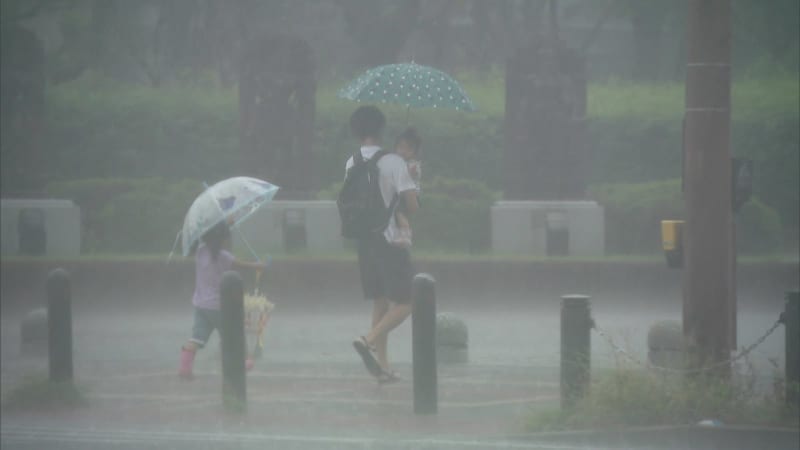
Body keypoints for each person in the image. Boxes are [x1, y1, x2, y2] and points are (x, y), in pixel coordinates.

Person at [345, 105, 418, 384]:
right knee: (408, 301)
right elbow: (412, 205)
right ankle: (368, 339)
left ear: (356, 132)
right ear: (381, 129)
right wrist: (411, 181)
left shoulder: (351, 162)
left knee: (381, 300)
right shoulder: (393, 162)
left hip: (364, 241)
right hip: (390, 241)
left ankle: (383, 366)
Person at [179, 221, 266, 380]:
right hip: (219, 305)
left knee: (197, 338)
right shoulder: (223, 256)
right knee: (235, 333)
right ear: (222, 239)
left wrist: (225, 224)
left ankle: (185, 369)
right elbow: (241, 265)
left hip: (200, 304)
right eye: (227, 236)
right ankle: (244, 361)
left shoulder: (200, 252)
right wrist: (257, 265)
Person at [388, 127, 422, 248]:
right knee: (394, 213)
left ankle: (406, 235)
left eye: (408, 149)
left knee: (399, 212)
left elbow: (411, 174)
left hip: (411, 195)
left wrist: (409, 172)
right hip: (400, 194)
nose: (403, 151)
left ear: (414, 152)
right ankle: (398, 235)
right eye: (401, 147)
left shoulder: (413, 164)